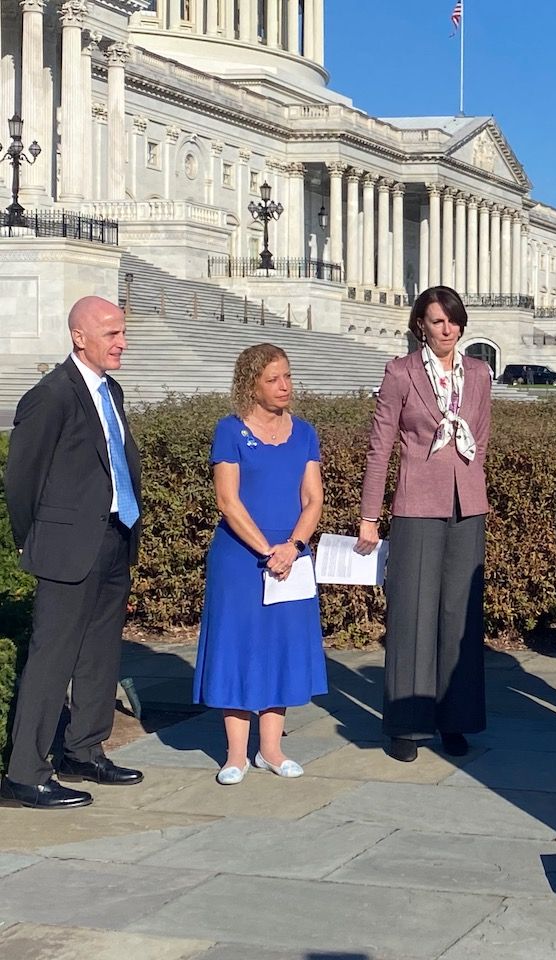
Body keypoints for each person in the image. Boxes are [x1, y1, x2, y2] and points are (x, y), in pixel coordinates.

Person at [2, 297, 144, 809]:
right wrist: (33, 540)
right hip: (66, 548)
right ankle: (25, 773)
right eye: (110, 333)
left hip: (113, 538)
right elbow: (21, 479)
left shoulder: (112, 391)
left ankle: (84, 750)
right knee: (51, 658)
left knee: (100, 653)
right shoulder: (51, 395)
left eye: (122, 332)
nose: (121, 342)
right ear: (79, 337)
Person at [356, 286, 491, 763]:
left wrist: (474, 490)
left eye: (453, 320)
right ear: (421, 326)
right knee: (413, 611)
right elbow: (380, 447)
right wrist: (369, 516)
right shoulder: (400, 372)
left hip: (467, 504)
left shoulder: (478, 373)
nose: (447, 329)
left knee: (460, 613)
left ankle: (456, 720)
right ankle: (406, 724)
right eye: (437, 321)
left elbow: (483, 437)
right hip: (416, 503)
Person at [191, 345, 327, 784]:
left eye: (287, 376)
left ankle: (271, 749)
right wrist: (268, 550)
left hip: (291, 556)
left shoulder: (304, 432)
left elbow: (313, 498)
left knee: (281, 648)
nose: (284, 386)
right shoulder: (229, 431)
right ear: (250, 384)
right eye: (273, 379)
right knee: (239, 646)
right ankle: (235, 755)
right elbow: (227, 501)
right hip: (241, 561)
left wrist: (294, 545)